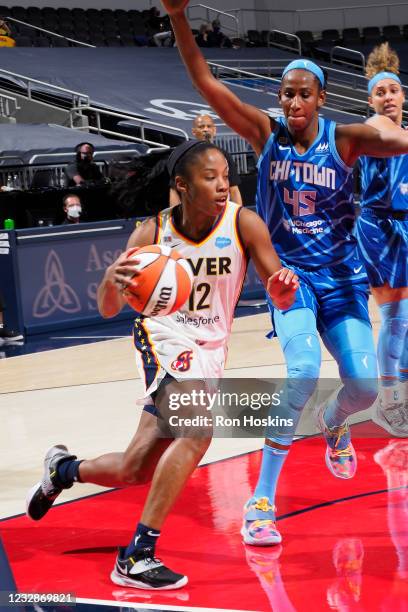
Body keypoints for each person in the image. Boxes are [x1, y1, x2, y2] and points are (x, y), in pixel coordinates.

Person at [161, 0, 408, 547]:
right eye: (286, 93)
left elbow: (398, 139)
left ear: (321, 98)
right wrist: (179, 15)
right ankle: (261, 501)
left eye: (304, 93)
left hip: (343, 279)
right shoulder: (263, 133)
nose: (294, 102)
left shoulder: (345, 140)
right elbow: (206, 82)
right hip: (289, 278)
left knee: (364, 388)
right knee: (300, 371)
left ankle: (334, 420)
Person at [26, 141, 298, 589]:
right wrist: (112, 283)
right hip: (164, 338)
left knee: (134, 470)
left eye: (225, 174)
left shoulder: (243, 223)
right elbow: (110, 308)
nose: (222, 184)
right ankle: (136, 556)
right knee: (199, 432)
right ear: (182, 185)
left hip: (209, 352)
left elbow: (277, 286)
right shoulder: (150, 234)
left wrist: (283, 292)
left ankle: (63, 470)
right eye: (210, 177)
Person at [356, 43, 408, 437]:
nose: (387, 96)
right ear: (370, 99)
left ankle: (398, 396)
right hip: (379, 229)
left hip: (405, 227)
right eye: (380, 91)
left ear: (402, 94)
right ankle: (387, 402)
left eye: (392, 89)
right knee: (395, 319)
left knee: (406, 323)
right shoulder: (370, 131)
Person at [170, 114, 243, 206]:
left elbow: (234, 189)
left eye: (209, 126)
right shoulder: (184, 156)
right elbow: (174, 190)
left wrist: (238, 216)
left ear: (214, 130)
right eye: (201, 127)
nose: (205, 129)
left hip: (220, 212)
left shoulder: (224, 155)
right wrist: (176, 216)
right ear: (193, 131)